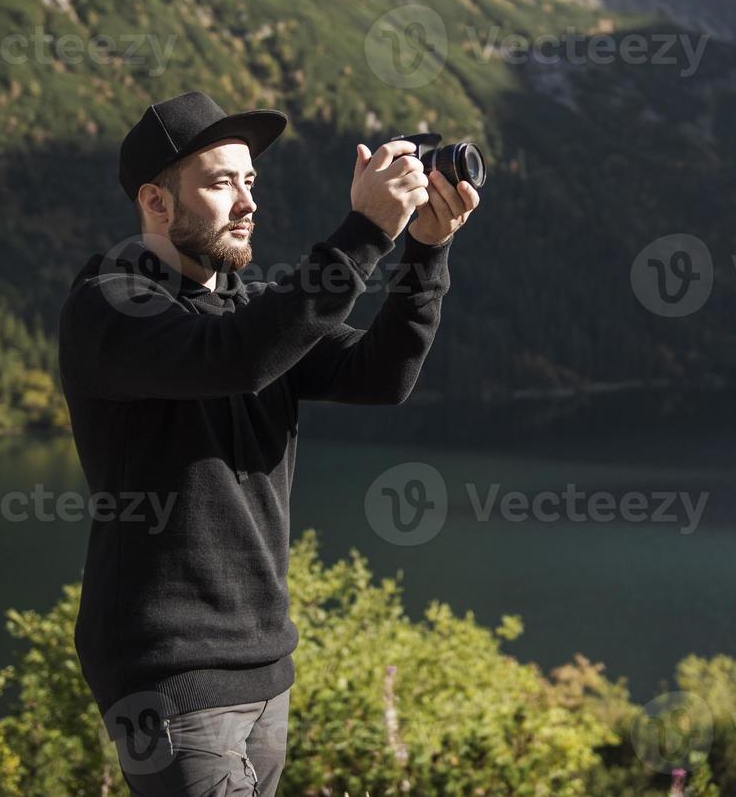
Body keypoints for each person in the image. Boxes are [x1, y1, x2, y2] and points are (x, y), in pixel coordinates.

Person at [57, 91, 479, 795]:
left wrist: (425, 251)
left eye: (250, 181)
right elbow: (233, 358)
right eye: (222, 182)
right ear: (156, 204)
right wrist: (366, 229)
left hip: (263, 664)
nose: (247, 201)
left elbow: (383, 375)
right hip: (168, 671)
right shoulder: (111, 305)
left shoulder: (249, 308)